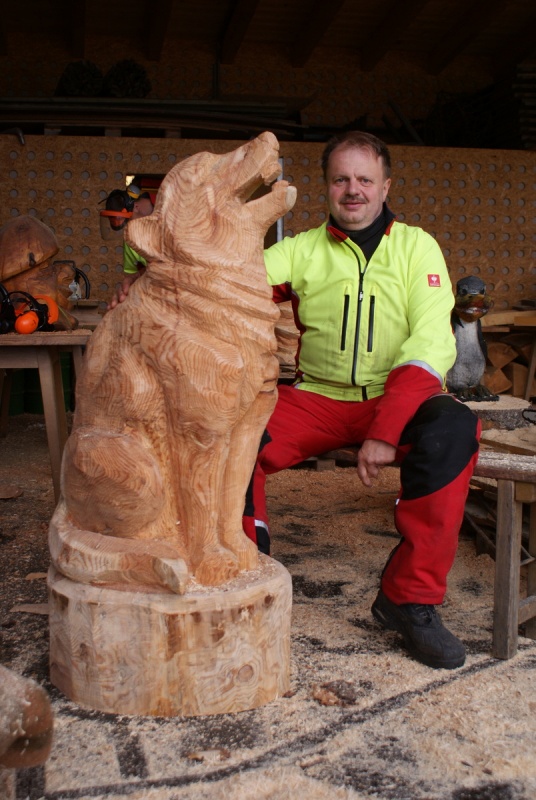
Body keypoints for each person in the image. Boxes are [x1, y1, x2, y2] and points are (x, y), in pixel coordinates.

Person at [242, 130, 481, 671]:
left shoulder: (417, 247)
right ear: (327, 187)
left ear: (385, 186)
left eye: (365, 180)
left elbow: (432, 342)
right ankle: (245, 570)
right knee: (234, 432)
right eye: (341, 179)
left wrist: (386, 428)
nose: (353, 190)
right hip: (317, 397)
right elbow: (227, 280)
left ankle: (409, 599)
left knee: (453, 429)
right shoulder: (300, 249)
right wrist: (141, 279)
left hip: (397, 398)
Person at [100, 188, 154, 310]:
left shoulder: (172, 206)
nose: (128, 229)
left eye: (128, 221)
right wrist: (131, 282)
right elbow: (133, 275)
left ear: (135, 207)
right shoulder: (131, 240)